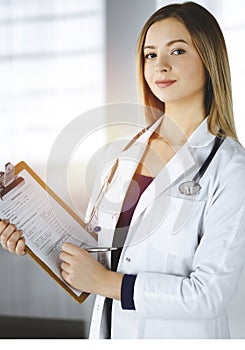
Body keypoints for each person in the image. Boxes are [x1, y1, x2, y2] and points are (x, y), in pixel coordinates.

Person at [0, 1, 245, 339]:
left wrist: (105, 282)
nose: (160, 65)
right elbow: (96, 255)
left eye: (177, 51)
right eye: (150, 54)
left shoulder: (230, 168)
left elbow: (208, 295)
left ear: (209, 58)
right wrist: (34, 237)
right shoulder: (125, 153)